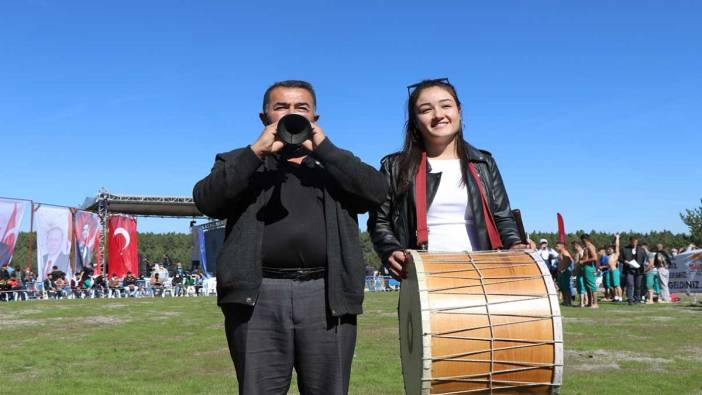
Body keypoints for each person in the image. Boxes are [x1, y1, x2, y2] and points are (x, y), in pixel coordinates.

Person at [192, 79, 386, 394]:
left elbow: (377, 193)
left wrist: (327, 151)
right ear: (264, 117)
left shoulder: (335, 163)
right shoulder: (238, 161)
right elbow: (207, 200)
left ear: (315, 118)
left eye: (301, 108)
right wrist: (256, 152)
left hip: (327, 296)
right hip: (257, 296)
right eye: (280, 107)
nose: (290, 114)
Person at [368, 78, 525, 282]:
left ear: (459, 110)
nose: (438, 115)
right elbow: (379, 220)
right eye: (426, 110)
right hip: (425, 278)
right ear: (415, 120)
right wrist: (390, 250)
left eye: (446, 105)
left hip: (485, 275)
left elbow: (503, 217)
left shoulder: (484, 163)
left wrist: (514, 244)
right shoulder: (395, 166)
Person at [619, 236, 647, 305]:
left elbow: (644, 259)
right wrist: (625, 261)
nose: (634, 243)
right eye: (633, 242)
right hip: (629, 270)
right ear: (630, 241)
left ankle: (637, 299)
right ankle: (630, 300)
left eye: (636, 242)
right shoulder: (624, 249)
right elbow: (620, 259)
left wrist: (645, 264)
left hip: (639, 270)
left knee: (638, 286)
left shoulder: (641, 249)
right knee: (630, 284)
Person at [579, 234, 599, 308]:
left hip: (590, 268)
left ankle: (596, 303)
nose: (582, 242)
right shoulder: (586, 247)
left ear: (585, 240)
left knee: (592, 286)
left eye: (582, 240)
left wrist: (584, 261)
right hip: (585, 267)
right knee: (587, 286)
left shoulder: (591, 247)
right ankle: (590, 303)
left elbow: (595, 258)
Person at [554, 241, 572, 306]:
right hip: (561, 272)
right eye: (556, 246)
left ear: (562, 246)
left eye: (557, 246)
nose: (556, 247)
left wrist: (564, 269)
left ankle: (568, 302)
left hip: (565, 272)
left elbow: (570, 261)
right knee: (563, 288)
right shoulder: (560, 253)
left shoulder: (565, 252)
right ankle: (565, 301)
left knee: (566, 287)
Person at [606, 234, 623, 302]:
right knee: (613, 285)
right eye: (608, 249)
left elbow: (617, 246)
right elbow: (612, 245)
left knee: (617, 285)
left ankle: (620, 298)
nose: (609, 250)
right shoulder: (609, 255)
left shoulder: (615, 254)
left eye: (610, 249)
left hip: (614, 271)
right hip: (610, 271)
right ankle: (616, 297)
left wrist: (617, 238)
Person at [572, 241, 587, 307]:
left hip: (581, 272)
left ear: (577, 245)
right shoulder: (577, 252)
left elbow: (581, 263)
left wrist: (576, 270)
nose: (573, 247)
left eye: (573, 246)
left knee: (581, 287)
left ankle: (582, 303)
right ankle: (585, 301)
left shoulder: (582, 252)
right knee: (580, 287)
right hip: (578, 272)